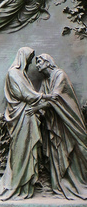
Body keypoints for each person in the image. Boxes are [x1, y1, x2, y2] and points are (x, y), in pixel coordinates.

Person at [0, 47, 48, 200]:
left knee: (28, 149)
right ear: (23, 57)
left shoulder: (21, 74)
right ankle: (16, 183)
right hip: (21, 117)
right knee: (21, 149)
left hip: (27, 116)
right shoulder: (14, 73)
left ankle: (27, 184)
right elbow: (23, 94)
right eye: (29, 59)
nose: (30, 63)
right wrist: (44, 96)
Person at [36, 53, 87, 198]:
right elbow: (39, 99)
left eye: (40, 62)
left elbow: (55, 97)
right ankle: (58, 185)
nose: (38, 65)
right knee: (56, 152)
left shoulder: (60, 75)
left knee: (73, 151)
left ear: (47, 62)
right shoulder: (46, 81)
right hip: (54, 123)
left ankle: (77, 183)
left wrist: (34, 109)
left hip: (68, 121)